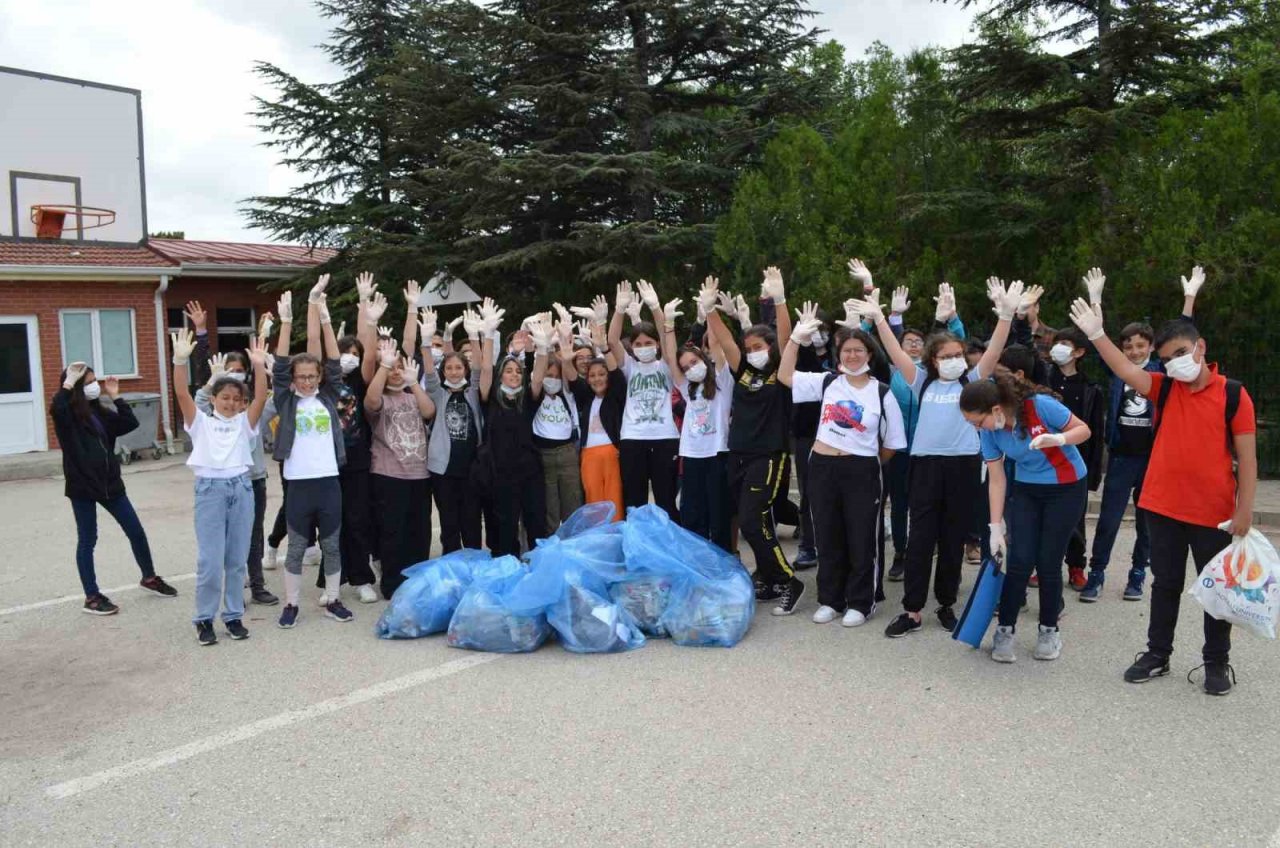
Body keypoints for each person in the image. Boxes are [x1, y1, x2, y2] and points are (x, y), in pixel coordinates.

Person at [1068, 272, 1256, 696]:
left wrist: (1245, 509)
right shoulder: (1164, 387)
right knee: (1165, 583)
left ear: (1201, 348)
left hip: (1215, 515)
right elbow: (1121, 367)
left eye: (1182, 354)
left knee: (1217, 593)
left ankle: (1216, 662)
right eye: (1168, 357)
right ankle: (1158, 654)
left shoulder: (1233, 395)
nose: (1176, 363)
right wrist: (1097, 335)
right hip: (1163, 507)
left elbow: (1247, 458)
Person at [862, 277, 1018, 638]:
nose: (952, 361)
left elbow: (995, 349)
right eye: (945, 357)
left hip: (963, 465)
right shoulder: (921, 381)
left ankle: (946, 603)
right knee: (920, 540)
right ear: (932, 360)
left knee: (952, 539)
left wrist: (1006, 316)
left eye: (957, 356)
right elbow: (894, 351)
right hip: (925, 466)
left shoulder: (973, 381)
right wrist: (881, 318)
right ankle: (913, 610)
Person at [779, 303, 906, 626]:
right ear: (839, 354)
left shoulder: (882, 392)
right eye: (847, 350)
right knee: (827, 533)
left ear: (869, 355)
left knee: (862, 536)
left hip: (862, 470)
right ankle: (830, 599)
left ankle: (861, 602)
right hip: (822, 466)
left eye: (859, 350)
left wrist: (867, 462)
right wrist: (795, 339)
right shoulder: (827, 383)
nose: (852, 355)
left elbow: (892, 442)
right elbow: (784, 376)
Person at [1081, 267, 1202, 602]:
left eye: (1139, 345)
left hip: (1153, 459)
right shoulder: (1119, 368)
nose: (1133, 351)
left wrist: (1189, 299)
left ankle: (1137, 575)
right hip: (1121, 458)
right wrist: (1095, 300)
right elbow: (1099, 341)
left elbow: (1182, 338)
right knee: (1107, 520)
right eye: (1128, 346)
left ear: (1150, 346)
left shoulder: (1162, 371)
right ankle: (1097, 573)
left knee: (1147, 524)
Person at [960, 373, 1091, 664]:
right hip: (1028, 488)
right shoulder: (989, 432)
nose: (974, 427)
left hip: (1067, 487)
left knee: (1047, 561)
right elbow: (996, 480)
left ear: (995, 409)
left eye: (976, 421)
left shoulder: (1039, 406)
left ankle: (1048, 630)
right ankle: (1004, 631)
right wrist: (995, 527)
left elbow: (1084, 430)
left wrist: (1058, 438)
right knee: (1018, 560)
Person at [701, 271, 802, 614]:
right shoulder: (743, 372)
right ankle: (771, 579)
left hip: (769, 456)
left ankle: (788, 580)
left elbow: (789, 338)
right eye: (749, 349)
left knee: (750, 520)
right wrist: (710, 310)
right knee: (750, 521)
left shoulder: (782, 374)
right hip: (739, 454)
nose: (752, 352)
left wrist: (780, 300)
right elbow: (726, 341)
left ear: (770, 349)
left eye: (758, 348)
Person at [49, 363, 177, 615]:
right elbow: (56, 409)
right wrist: (66, 385)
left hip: (110, 484)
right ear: (75, 387)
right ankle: (92, 597)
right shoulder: (68, 417)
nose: (94, 386)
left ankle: (149, 577)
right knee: (88, 539)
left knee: (136, 531)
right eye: (88, 383)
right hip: (83, 487)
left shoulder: (98, 411)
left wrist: (115, 395)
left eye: (94, 381)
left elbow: (129, 424)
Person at [171, 329, 271, 645]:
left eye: (235, 399)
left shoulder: (245, 423)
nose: (229, 403)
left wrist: (257, 365)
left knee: (237, 559)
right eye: (224, 398)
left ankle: (232, 616)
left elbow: (260, 397)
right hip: (210, 491)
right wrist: (179, 361)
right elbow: (183, 395)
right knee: (210, 562)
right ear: (213, 399)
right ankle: (204, 618)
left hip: (241, 489)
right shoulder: (200, 422)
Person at [270, 280, 354, 628]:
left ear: (319, 378)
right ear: (294, 379)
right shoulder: (286, 401)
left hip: (328, 482)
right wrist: (286, 323)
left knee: (332, 545)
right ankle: (291, 604)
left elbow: (334, 360)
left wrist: (325, 318)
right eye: (301, 376)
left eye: (312, 376)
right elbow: (278, 366)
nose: (306, 381)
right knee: (296, 548)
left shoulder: (327, 397)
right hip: (299, 485)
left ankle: (332, 599)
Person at [187, 300, 280, 607]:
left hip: (252, 480)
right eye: (230, 372)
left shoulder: (251, 410)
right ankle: (228, 590)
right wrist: (201, 333)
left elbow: (268, 393)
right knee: (220, 541)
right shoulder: (210, 409)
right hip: (217, 483)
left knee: (252, 537)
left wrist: (264, 358)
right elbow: (200, 389)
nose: (236, 376)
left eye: (241, 372)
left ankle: (257, 584)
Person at [364, 335, 435, 598]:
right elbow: (371, 402)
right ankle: (392, 585)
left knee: (419, 532)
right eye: (391, 368)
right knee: (393, 532)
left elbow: (429, 412)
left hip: (420, 474)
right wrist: (384, 366)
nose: (396, 373)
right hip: (388, 474)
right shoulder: (380, 398)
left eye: (399, 367)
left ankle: (418, 582)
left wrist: (413, 382)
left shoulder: (413, 395)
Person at [476, 298, 548, 555]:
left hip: (530, 472)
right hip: (500, 473)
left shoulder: (527, 399)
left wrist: (541, 348)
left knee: (536, 522)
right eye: (509, 371)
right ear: (500, 376)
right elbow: (485, 368)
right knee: (505, 527)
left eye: (518, 371)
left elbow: (538, 375)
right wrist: (488, 335)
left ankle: (539, 567)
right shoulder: (491, 399)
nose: (515, 374)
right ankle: (507, 568)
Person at [665, 293, 733, 550]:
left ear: (703, 359)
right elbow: (672, 358)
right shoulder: (686, 389)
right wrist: (668, 325)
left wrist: (709, 313)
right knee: (692, 515)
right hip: (691, 456)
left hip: (717, 455)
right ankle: (697, 561)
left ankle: (724, 563)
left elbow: (717, 344)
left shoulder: (723, 381)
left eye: (694, 362)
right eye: (686, 367)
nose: (691, 368)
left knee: (719, 516)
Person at [608, 280, 681, 519]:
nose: (643, 347)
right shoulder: (629, 366)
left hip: (665, 438)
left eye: (648, 343)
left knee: (666, 501)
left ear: (657, 344)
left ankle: (668, 549)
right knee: (634, 503)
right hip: (633, 439)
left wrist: (656, 307)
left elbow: (667, 338)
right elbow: (611, 341)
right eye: (638, 344)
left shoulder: (667, 366)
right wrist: (619, 311)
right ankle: (637, 549)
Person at [1045, 323, 1105, 590]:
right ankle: (1044, 566)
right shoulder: (1044, 380)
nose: (1059, 349)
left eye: (1066, 345)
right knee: (1045, 518)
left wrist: (1093, 475)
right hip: (1044, 460)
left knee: (1074, 519)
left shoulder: (1091, 388)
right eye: (1057, 343)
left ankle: (1076, 566)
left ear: (1079, 352)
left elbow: (1096, 434)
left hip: (1076, 463)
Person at [423, 307, 485, 552]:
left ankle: (473, 569)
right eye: (449, 368)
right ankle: (451, 571)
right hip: (443, 470)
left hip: (471, 468)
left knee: (471, 524)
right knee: (449, 526)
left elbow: (480, 367)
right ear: (444, 371)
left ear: (465, 370)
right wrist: (426, 342)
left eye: (459, 368)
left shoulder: (473, 392)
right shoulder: (438, 394)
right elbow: (428, 371)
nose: (454, 372)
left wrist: (473, 336)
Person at [566, 298, 627, 521]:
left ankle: (616, 542)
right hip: (588, 454)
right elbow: (572, 378)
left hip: (612, 452)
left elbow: (616, 373)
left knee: (614, 501)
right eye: (592, 376)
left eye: (601, 374)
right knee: (593, 503)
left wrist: (602, 343)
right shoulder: (586, 398)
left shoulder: (616, 396)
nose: (597, 379)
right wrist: (565, 352)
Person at [530, 308, 584, 532]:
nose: (551, 380)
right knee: (549, 509)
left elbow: (567, 369)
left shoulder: (567, 394)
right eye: (547, 377)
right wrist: (543, 346)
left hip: (568, 453)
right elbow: (537, 371)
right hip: (543, 456)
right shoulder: (535, 396)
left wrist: (563, 334)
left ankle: (574, 547)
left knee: (572, 505)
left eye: (555, 376)